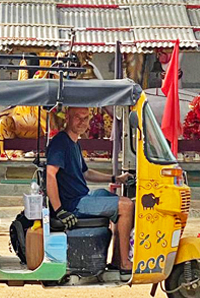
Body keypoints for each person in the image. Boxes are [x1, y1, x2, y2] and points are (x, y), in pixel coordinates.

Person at [46, 106, 135, 273]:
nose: (82, 122)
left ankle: (117, 260)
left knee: (116, 199)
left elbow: (86, 172)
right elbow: (50, 174)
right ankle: (124, 263)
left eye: (85, 118)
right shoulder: (60, 142)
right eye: (77, 117)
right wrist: (60, 210)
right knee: (126, 205)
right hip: (74, 203)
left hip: (83, 197)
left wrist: (115, 178)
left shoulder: (74, 143)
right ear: (67, 117)